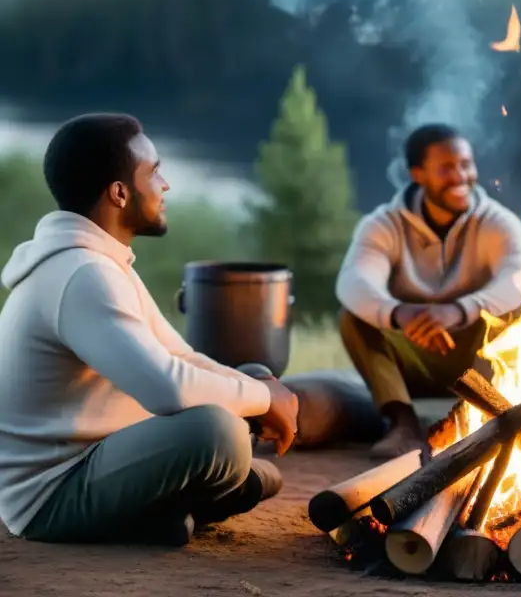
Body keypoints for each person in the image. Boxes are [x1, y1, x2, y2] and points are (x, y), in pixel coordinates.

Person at [0, 114, 299, 546]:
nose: (166, 185)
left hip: (100, 455)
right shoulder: (82, 274)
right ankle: (175, 505)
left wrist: (261, 391)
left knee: (248, 375)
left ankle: (164, 511)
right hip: (51, 495)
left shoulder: (100, 260)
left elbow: (181, 357)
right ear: (119, 193)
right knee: (217, 433)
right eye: (154, 172)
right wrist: (267, 401)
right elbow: (169, 389)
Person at [336, 124, 521, 458]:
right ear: (418, 174)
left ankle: (488, 416)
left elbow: (520, 277)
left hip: (473, 356)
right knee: (354, 317)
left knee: (516, 307)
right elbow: (354, 281)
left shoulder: (497, 222)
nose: (460, 177)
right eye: (446, 168)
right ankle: (402, 425)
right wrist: (400, 313)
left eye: (466, 164)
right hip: (410, 357)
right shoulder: (384, 224)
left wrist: (459, 310)